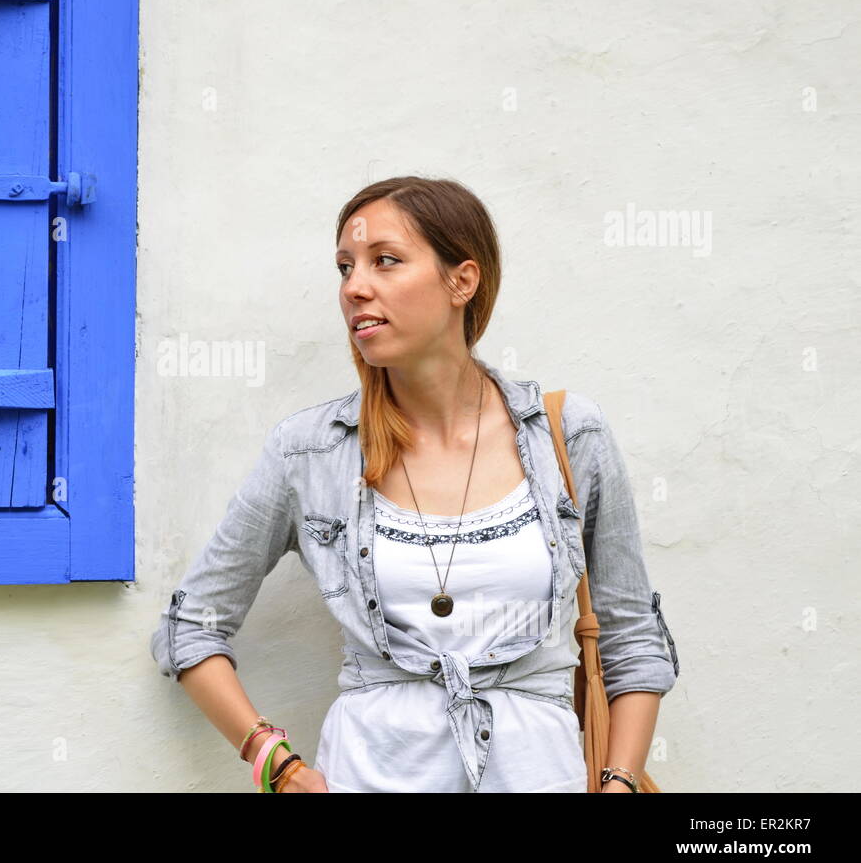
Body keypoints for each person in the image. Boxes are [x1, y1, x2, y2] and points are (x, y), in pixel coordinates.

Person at [150, 176, 681, 792]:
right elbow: (190, 626)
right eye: (345, 267)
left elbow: (631, 635)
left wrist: (617, 783)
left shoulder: (567, 437)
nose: (355, 286)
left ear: (463, 281)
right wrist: (278, 765)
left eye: (386, 261)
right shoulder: (312, 451)